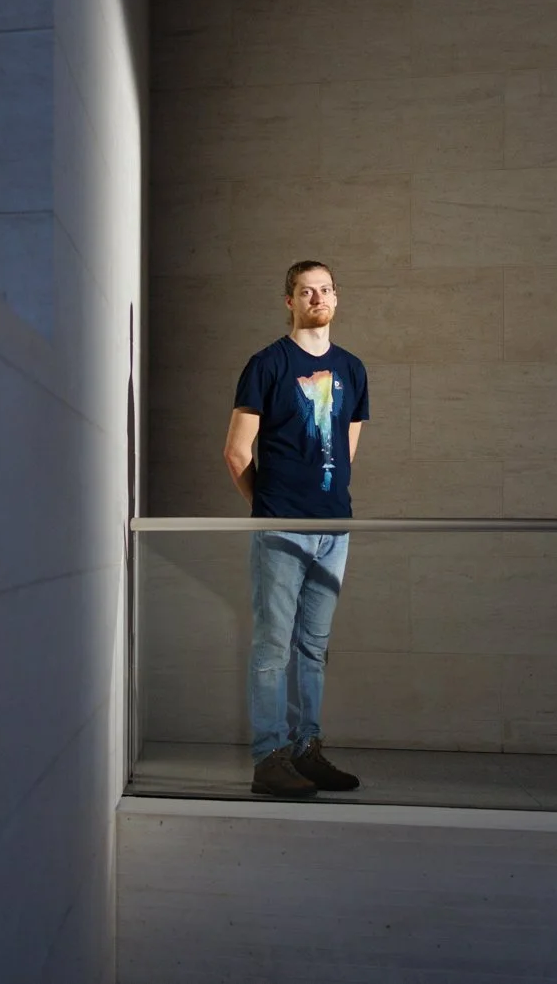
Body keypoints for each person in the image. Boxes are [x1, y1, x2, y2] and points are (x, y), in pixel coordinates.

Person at [221, 259, 369, 798]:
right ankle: (270, 757)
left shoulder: (353, 368)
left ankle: (307, 750)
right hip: (282, 527)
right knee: (272, 645)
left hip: (335, 528)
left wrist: (328, 501)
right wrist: (272, 508)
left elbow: (348, 447)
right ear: (289, 301)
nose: (318, 298)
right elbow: (237, 453)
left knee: (314, 646)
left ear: (336, 296)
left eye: (326, 289)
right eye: (307, 291)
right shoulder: (267, 365)